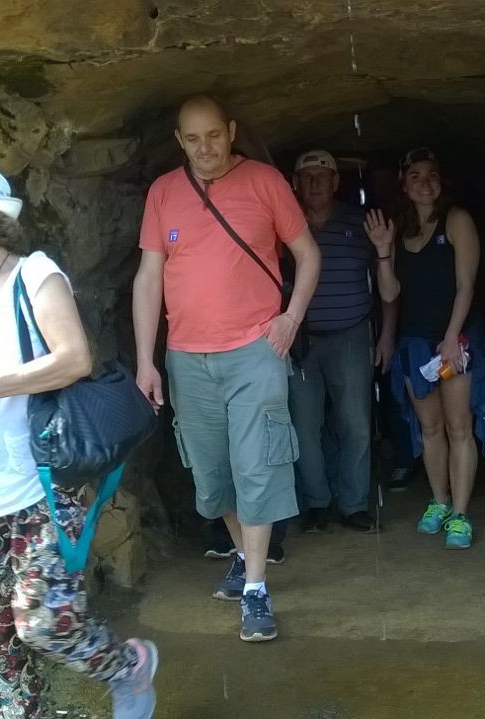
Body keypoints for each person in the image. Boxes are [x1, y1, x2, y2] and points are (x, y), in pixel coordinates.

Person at [0, 161, 157, 718]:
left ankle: (126, 668)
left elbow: (74, 359)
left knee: (46, 625)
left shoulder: (34, 276)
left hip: (38, 490)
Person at [133, 95, 320, 642]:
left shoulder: (264, 181)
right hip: (187, 356)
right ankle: (243, 554)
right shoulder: (163, 192)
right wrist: (146, 360)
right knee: (212, 476)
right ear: (179, 140)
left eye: (214, 135)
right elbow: (149, 278)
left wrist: (290, 318)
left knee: (257, 465)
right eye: (192, 139)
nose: (205, 148)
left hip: (255, 350)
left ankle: (257, 587)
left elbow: (308, 254)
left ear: (232, 131)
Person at [367, 148, 485, 550]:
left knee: (459, 426)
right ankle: (439, 501)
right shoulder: (399, 229)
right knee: (429, 428)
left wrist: (452, 336)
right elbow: (390, 293)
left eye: (431, 174)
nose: (424, 183)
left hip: (456, 341)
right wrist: (383, 251)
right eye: (415, 176)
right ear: (403, 185)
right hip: (415, 343)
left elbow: (467, 285)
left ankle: (460, 513)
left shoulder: (456, 220)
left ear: (442, 180)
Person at [288, 149, 377, 533]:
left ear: (336, 182)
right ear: (295, 183)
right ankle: (317, 504)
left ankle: (353, 504)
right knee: (304, 425)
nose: (315, 183)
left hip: (350, 335)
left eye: (322, 176)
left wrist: (386, 334)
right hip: (300, 339)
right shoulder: (284, 222)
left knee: (356, 423)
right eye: (307, 177)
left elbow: (385, 279)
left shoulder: (360, 222)